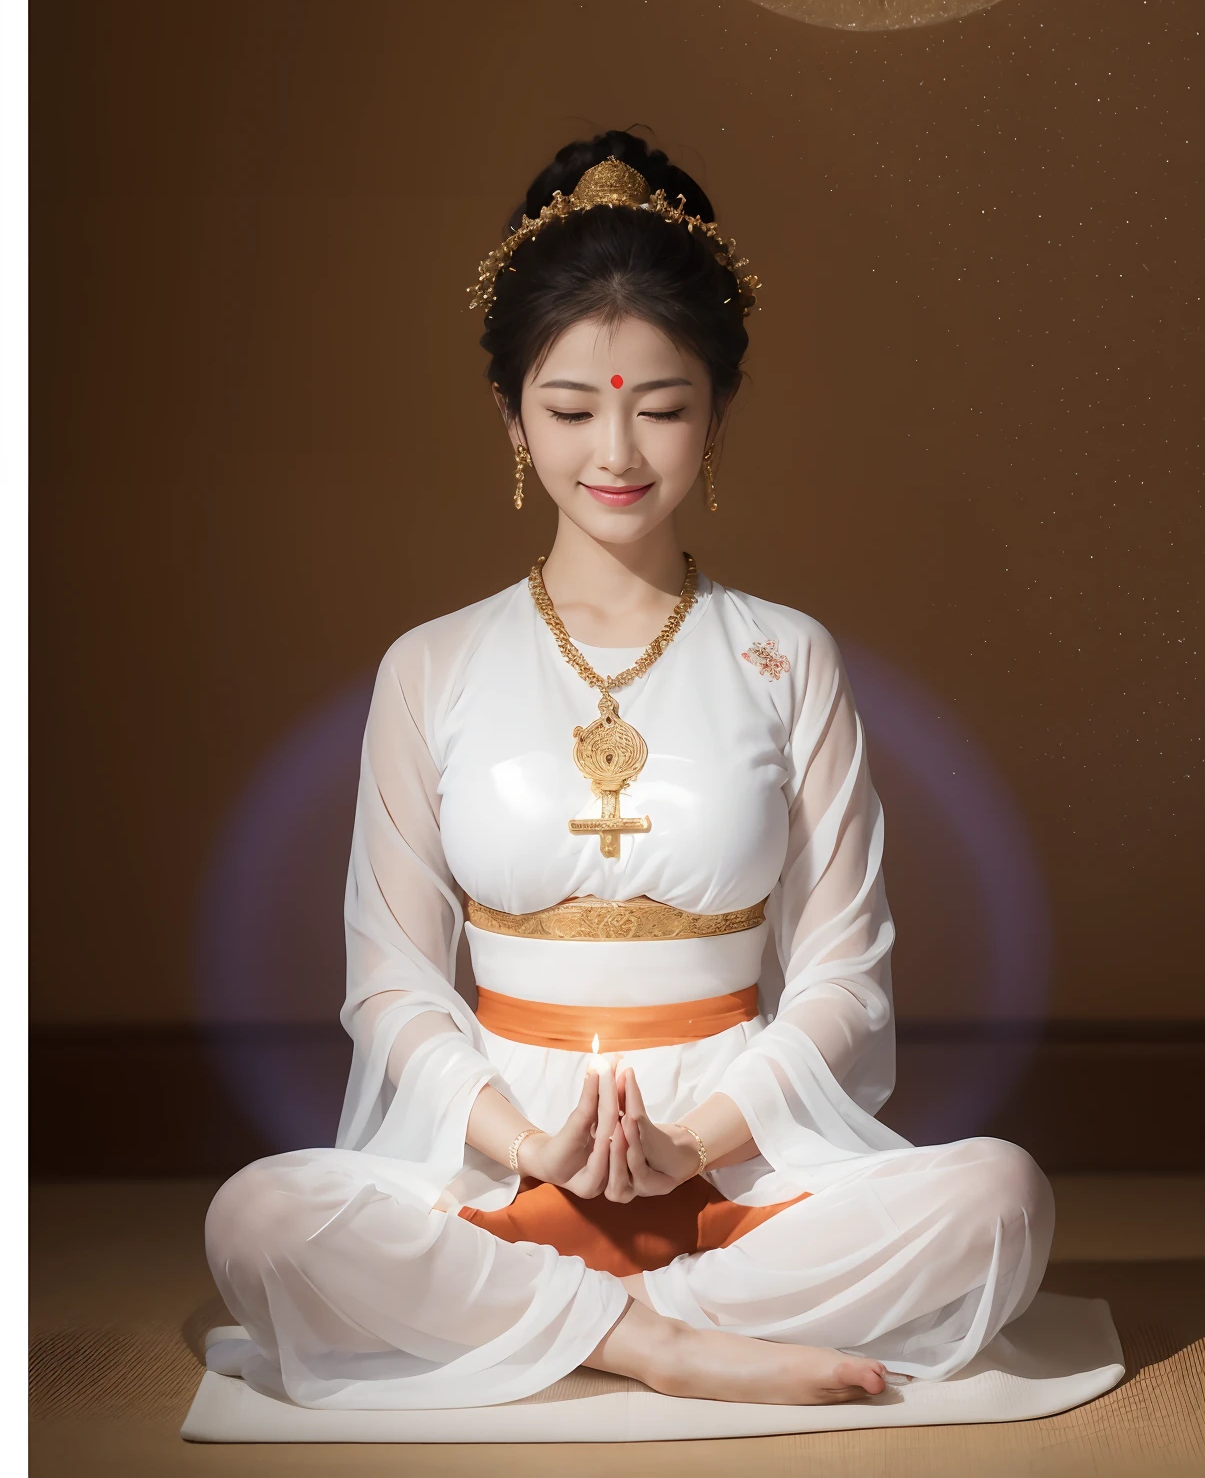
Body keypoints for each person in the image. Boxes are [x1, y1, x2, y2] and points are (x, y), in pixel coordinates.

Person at [204, 132, 1053, 1409]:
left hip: (738, 1161)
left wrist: (684, 1148)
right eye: (569, 407)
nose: (616, 450)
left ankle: (565, 1320)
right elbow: (391, 986)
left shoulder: (785, 655)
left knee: (1001, 1197)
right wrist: (532, 1141)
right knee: (255, 1221)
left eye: (660, 407)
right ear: (508, 414)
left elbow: (844, 975)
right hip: (500, 1158)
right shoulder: (430, 666)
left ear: (716, 411)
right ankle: (656, 1338)